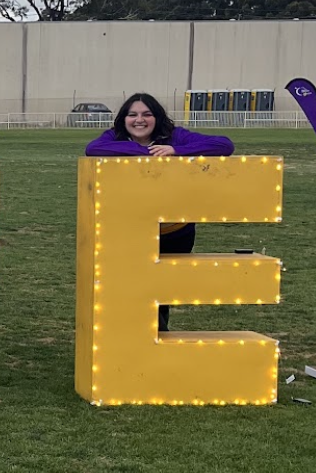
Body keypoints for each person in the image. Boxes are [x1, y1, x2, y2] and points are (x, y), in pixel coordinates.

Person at [85, 92, 234, 331]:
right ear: (124, 118)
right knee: (133, 285)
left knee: (162, 289)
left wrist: (175, 151)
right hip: (132, 229)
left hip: (176, 230)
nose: (139, 120)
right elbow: (92, 149)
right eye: (132, 115)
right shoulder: (115, 137)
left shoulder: (176, 136)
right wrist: (147, 154)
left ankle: (157, 337)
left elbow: (224, 145)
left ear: (157, 117)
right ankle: (141, 336)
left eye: (147, 114)